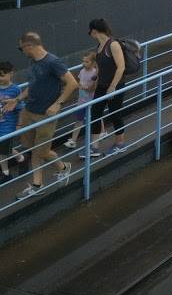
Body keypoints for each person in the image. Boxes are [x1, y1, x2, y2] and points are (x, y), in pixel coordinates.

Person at [8, 32, 77, 198]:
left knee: (42, 151)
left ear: (28, 45)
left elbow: (72, 83)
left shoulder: (52, 62)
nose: (21, 51)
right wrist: (17, 100)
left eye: (21, 48)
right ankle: (47, 178)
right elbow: (32, 86)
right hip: (29, 110)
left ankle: (51, 175)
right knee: (32, 148)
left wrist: (57, 104)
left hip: (45, 115)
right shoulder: (32, 62)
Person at [85, 18, 128, 157]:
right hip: (102, 85)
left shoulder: (113, 44)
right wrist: (95, 79)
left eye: (90, 32)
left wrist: (113, 87)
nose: (90, 34)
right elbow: (101, 67)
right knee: (95, 113)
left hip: (115, 85)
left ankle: (120, 143)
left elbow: (121, 67)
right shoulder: (99, 46)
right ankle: (94, 147)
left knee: (115, 113)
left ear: (95, 31)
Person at [65, 53, 97, 149]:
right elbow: (79, 81)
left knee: (95, 118)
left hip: (91, 101)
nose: (84, 63)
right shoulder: (82, 71)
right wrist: (79, 85)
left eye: (86, 62)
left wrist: (85, 87)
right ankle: (73, 140)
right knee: (79, 120)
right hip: (82, 101)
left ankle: (101, 133)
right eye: (83, 61)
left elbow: (93, 88)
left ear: (93, 63)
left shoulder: (95, 73)